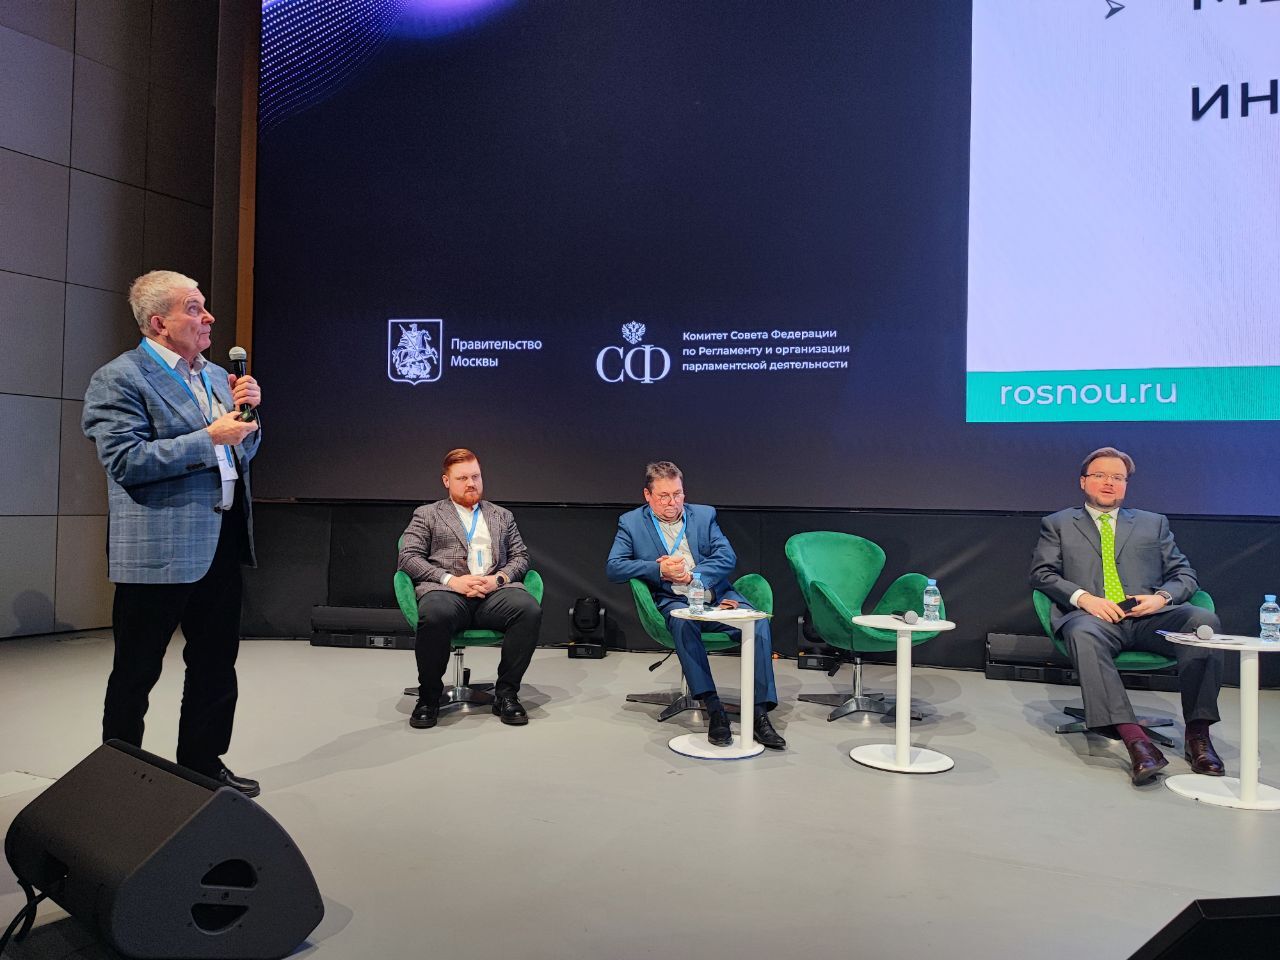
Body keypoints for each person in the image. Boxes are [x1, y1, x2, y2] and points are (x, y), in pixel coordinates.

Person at [82, 270, 262, 796]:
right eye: (194, 308)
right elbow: (126, 460)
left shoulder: (215, 376)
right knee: (136, 671)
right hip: (158, 549)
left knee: (215, 664)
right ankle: (119, 779)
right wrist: (210, 437)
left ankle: (202, 766)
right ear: (160, 323)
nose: (209, 318)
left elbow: (243, 451)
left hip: (221, 538)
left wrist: (250, 417)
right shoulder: (119, 378)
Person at [1029, 446, 1224, 785]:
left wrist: (1161, 598)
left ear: (1125, 485)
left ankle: (1198, 735)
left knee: (1203, 623)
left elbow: (1185, 575)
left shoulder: (1153, 523)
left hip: (1150, 619)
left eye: (1117, 478)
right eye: (1100, 475)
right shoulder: (1058, 523)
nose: (1109, 483)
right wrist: (1084, 598)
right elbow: (1042, 574)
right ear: (1083, 482)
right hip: (1094, 618)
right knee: (1082, 633)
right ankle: (1137, 742)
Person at [606, 461, 785, 749]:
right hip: (673, 599)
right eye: (664, 496)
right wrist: (658, 569)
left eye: (677, 494)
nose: (672, 502)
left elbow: (726, 557)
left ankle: (758, 713)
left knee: (758, 622)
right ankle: (714, 709)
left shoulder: (704, 515)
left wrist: (694, 576)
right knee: (683, 622)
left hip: (716, 597)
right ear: (648, 495)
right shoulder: (631, 523)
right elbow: (614, 567)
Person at [398, 449, 542, 728]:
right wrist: (451, 580)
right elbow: (408, 557)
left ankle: (506, 695)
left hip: (493, 593)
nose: (471, 483)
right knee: (434, 614)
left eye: (475, 476)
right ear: (446, 481)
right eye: (462, 478)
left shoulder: (502, 516)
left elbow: (521, 557)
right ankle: (429, 698)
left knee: (528, 610)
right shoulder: (427, 514)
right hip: (447, 592)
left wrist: (498, 579)